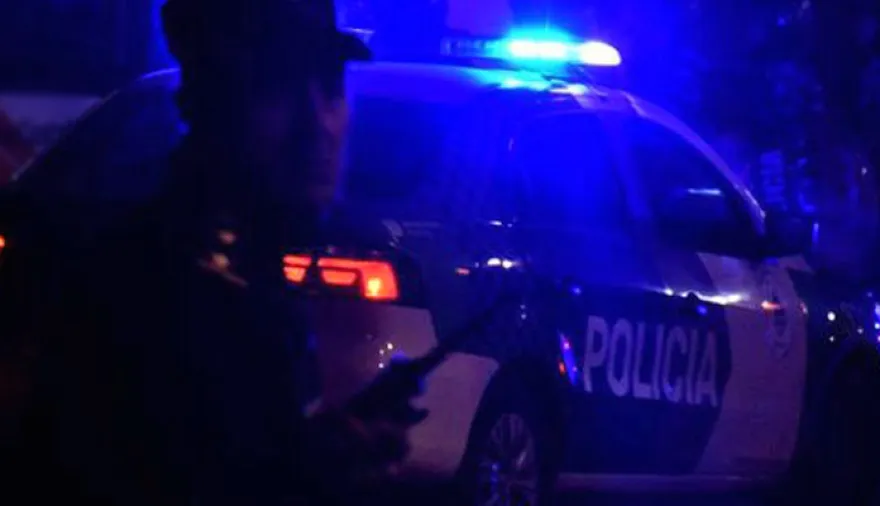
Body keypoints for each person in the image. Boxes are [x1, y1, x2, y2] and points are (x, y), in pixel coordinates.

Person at [10, 0, 426, 505]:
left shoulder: (242, 270)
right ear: (209, 103)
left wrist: (321, 453)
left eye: (331, 88)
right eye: (277, 88)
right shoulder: (154, 294)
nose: (318, 124)